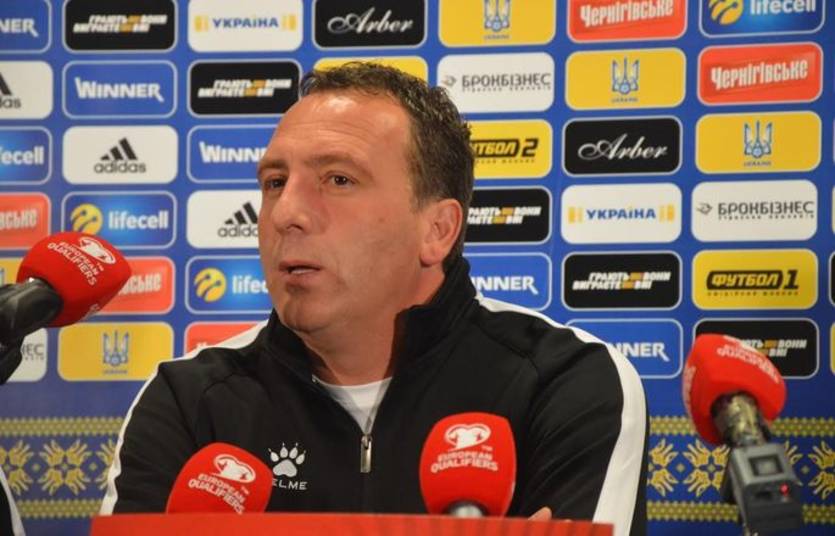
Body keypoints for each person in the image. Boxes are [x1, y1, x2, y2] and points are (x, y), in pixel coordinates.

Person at [100, 63, 647, 535]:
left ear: (437, 230)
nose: (286, 213)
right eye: (274, 182)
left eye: (338, 180)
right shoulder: (188, 399)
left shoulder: (565, 382)